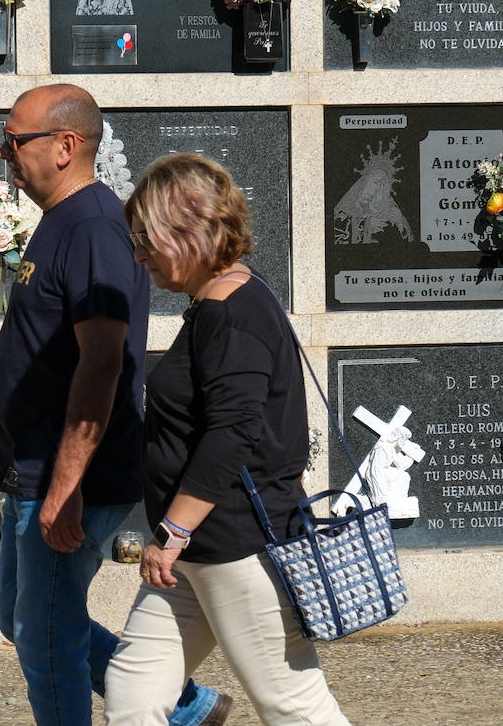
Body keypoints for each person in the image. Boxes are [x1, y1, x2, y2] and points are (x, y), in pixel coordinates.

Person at [0, 85, 229, 726]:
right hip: (35, 469)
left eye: (14, 141)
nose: (4, 153)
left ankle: (180, 706)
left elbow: (103, 363)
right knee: (24, 619)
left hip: (69, 476)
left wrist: (66, 486)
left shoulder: (94, 226)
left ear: (64, 146)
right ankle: (189, 707)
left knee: (46, 636)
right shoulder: (64, 220)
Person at [105, 153, 348, 726]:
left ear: (189, 229)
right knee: (134, 691)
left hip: (236, 548)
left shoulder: (230, 313)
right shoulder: (220, 302)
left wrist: (172, 532)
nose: (139, 256)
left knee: (293, 708)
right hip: (193, 552)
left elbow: (233, 434)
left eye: (146, 239)